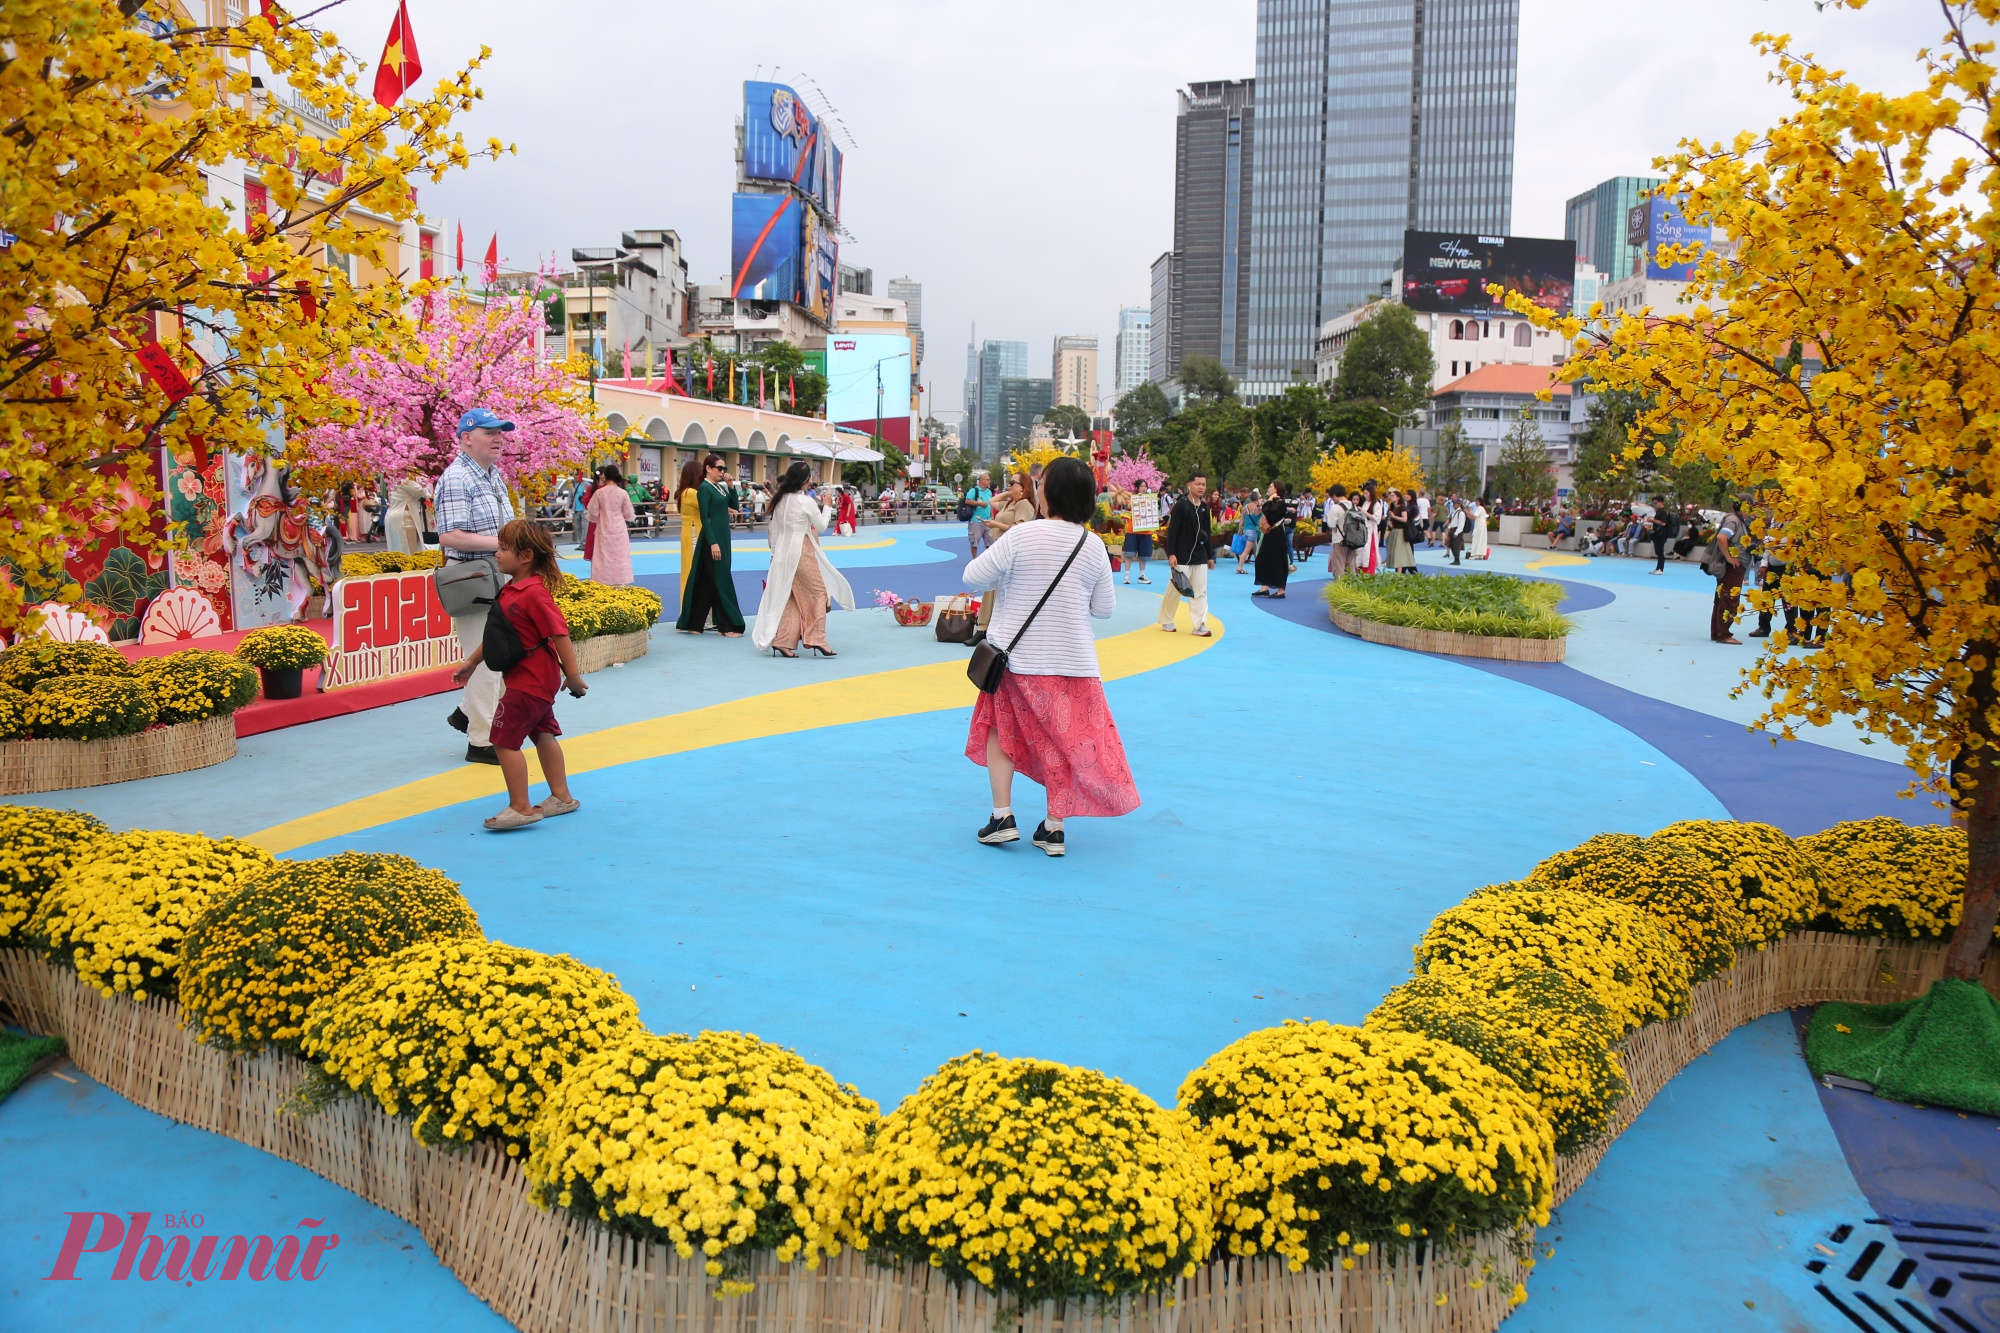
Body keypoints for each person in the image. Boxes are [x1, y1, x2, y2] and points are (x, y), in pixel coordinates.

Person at [965, 456, 1138, 857]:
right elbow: (1104, 609)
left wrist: (1009, 578)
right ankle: (1054, 827)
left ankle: (1002, 816)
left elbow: (972, 577)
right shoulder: (1092, 545)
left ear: (1049, 493)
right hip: (1074, 663)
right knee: (1064, 742)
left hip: (1018, 661)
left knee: (999, 730)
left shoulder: (1021, 537)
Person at [450, 519, 587, 831]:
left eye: (504, 548)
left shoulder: (533, 594)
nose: (497, 553)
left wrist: (574, 675)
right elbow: (499, 635)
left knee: (502, 738)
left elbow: (559, 634)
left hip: (531, 681)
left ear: (525, 556)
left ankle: (521, 807)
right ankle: (562, 796)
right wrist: (472, 662)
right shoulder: (512, 590)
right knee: (542, 732)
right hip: (531, 678)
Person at [436, 407, 518, 765]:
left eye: (500, 432)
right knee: (484, 660)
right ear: (466, 437)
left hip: (494, 573)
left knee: (499, 654)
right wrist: (503, 545)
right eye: (489, 432)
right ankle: (481, 741)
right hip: (472, 579)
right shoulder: (457, 478)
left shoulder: (492, 475)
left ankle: (467, 714)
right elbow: (450, 536)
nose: (498, 438)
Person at [754, 461, 856, 657]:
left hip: (782, 552)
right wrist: (827, 507)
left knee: (789, 596)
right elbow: (821, 526)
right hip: (801, 550)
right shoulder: (805, 501)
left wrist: (774, 553)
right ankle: (816, 638)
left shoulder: (780, 500)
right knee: (818, 592)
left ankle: (783, 640)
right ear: (806, 480)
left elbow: (773, 530)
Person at [676, 452, 746, 636]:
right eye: (719, 468)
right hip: (712, 538)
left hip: (723, 537)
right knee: (721, 578)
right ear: (708, 468)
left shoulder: (720, 488)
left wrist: (731, 487)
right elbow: (705, 518)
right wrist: (713, 542)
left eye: (725, 468)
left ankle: (693, 623)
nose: (723, 471)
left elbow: (734, 506)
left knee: (705, 580)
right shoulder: (704, 489)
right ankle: (730, 624)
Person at [975, 474, 1040, 640]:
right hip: (999, 546)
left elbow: (1019, 528)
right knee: (992, 586)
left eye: (1012, 483)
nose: (1008, 485)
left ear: (1023, 487)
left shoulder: (1024, 504)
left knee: (1000, 587)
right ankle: (984, 626)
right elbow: (992, 502)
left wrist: (995, 524)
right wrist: (1010, 492)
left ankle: (989, 628)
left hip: (1010, 550)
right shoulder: (1011, 502)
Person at [1158, 471, 1215, 637]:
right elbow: (1173, 531)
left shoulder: (1205, 508)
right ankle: (1166, 619)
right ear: (1189, 485)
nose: (1201, 487)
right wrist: (1171, 553)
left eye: (1203, 484)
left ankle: (1199, 624)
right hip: (1181, 555)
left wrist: (1210, 556)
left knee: (1200, 591)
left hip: (1200, 556)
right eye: (1198, 484)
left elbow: (1207, 533)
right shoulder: (1181, 505)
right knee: (1176, 588)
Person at [587, 464, 636, 586]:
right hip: (619, 529)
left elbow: (592, 513)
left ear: (605, 476)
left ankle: (602, 583)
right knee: (620, 557)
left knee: (602, 557)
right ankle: (620, 582)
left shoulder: (599, 493)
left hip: (603, 528)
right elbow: (629, 514)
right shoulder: (623, 493)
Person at [1709, 497, 1750, 644]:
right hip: (1733, 567)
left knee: (1721, 598)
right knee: (1729, 598)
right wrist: (1729, 558)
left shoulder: (1735, 520)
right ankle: (1723, 634)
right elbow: (1722, 537)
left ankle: (1717, 632)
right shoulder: (1734, 521)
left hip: (1732, 566)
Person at [673, 458, 702, 605]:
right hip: (694, 534)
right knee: (695, 571)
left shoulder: (684, 492)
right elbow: (707, 505)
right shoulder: (691, 493)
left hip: (689, 532)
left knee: (689, 569)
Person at [1252, 498, 1291, 598]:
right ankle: (1264, 587)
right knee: (1262, 559)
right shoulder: (1275, 503)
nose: (1269, 489)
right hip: (1269, 533)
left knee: (1277, 561)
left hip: (1276, 534)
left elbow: (1270, 514)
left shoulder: (1280, 503)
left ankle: (1280, 590)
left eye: (1271, 487)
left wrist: (1268, 501)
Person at [1121, 478, 1156, 585]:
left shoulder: (1150, 498)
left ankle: (1142, 575)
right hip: (1133, 530)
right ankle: (1127, 575)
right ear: (1137, 488)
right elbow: (1128, 506)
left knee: (1144, 555)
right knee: (1129, 553)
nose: (1143, 488)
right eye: (1141, 486)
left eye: (1145, 486)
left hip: (1146, 531)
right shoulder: (1132, 498)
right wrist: (1138, 499)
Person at [385, 474, 427, 553]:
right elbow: (421, 492)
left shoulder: (392, 480)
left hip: (391, 515)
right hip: (404, 517)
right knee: (409, 550)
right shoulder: (405, 480)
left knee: (395, 549)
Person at [964, 471, 995, 557]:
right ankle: (975, 558)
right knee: (974, 541)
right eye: (987, 479)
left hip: (987, 520)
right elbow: (967, 501)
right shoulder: (974, 490)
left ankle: (989, 559)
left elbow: (990, 504)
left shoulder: (989, 492)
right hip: (976, 519)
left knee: (991, 541)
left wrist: (992, 516)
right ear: (982, 481)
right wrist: (980, 503)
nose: (989, 481)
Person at [1384, 489, 1413, 574]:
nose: (1391, 497)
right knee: (1393, 551)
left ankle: (1399, 573)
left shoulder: (1402, 507)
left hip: (1400, 532)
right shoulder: (1392, 507)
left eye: (1393, 496)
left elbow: (1405, 519)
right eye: (1390, 495)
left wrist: (1394, 516)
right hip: (1394, 531)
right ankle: (1397, 572)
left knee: (1399, 552)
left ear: (1398, 497)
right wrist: (1390, 522)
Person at [1468, 497, 1490, 561]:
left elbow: (1474, 516)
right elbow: (1473, 517)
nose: (1475, 503)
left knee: (1476, 538)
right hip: (1480, 524)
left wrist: (1467, 512)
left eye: (1476, 501)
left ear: (1479, 502)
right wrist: (1467, 514)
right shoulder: (1482, 508)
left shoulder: (1480, 508)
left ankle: (1475, 554)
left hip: (1479, 525)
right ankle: (1480, 554)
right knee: (1480, 539)